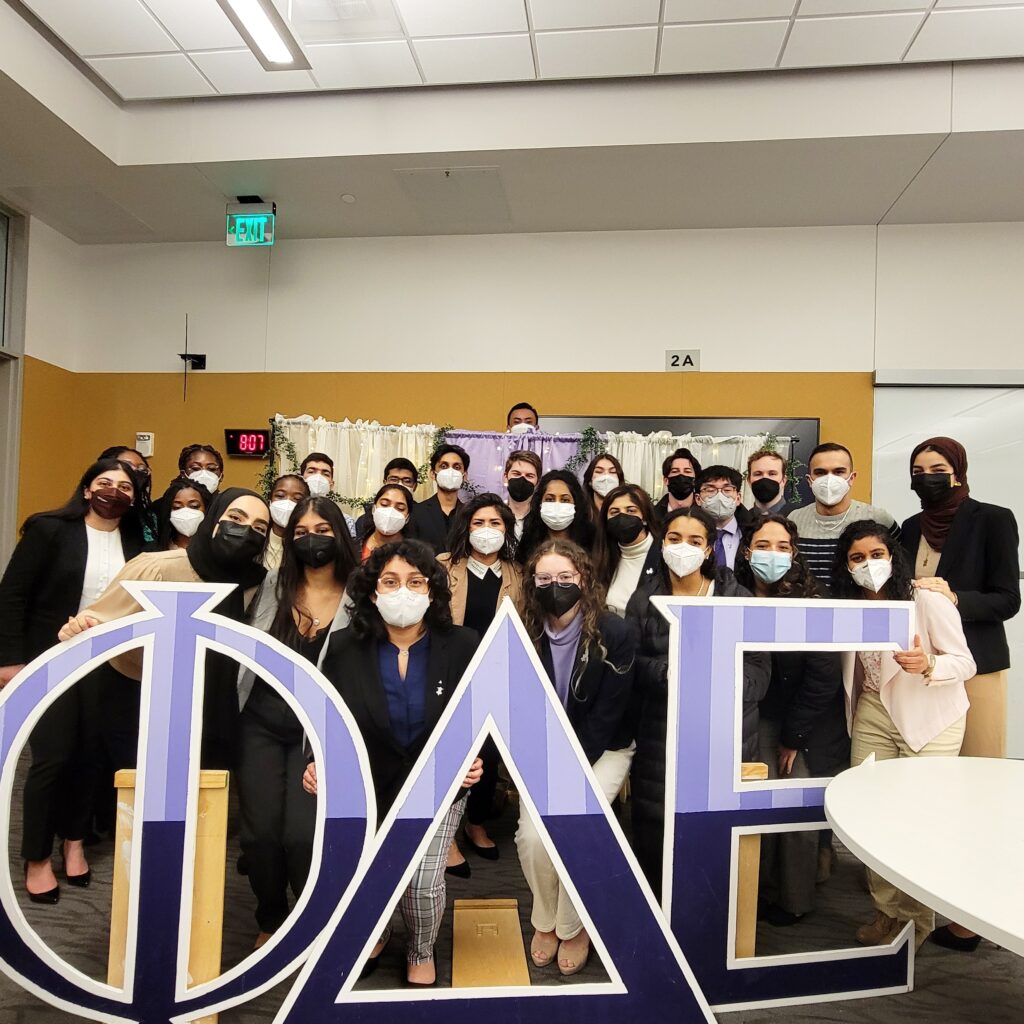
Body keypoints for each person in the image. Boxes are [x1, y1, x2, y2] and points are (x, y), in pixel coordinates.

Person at [310, 540, 483, 985]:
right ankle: (379, 928)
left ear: (431, 591)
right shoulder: (346, 646)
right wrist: (316, 762)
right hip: (369, 783)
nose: (402, 591)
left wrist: (476, 761)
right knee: (369, 870)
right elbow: (324, 715)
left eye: (414, 581)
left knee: (422, 883)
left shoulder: (463, 644)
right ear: (372, 592)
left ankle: (421, 947)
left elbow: (486, 717)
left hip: (440, 783)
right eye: (390, 581)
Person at [0, 458, 146, 903]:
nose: (114, 492)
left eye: (125, 487)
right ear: (86, 489)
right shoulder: (48, 530)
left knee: (91, 756)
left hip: (109, 664)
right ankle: (37, 856)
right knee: (53, 756)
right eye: (105, 483)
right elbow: (13, 595)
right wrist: (9, 661)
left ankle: (75, 842)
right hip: (49, 658)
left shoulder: (139, 542)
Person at [899, 437, 1020, 952]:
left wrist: (954, 596)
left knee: (974, 789)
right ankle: (916, 903)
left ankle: (968, 915)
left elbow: (1007, 599)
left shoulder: (992, 518)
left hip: (977, 668)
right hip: (921, 670)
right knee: (925, 790)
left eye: (938, 468)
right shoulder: (907, 529)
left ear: (958, 472)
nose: (927, 475)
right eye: (918, 468)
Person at [831, 520, 974, 950]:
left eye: (877, 555)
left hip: (930, 713)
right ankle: (885, 911)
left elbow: (965, 662)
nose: (868, 564)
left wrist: (929, 664)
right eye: (857, 557)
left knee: (918, 818)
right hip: (872, 710)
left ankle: (916, 921)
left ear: (893, 557)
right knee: (871, 814)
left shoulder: (926, 598)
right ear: (846, 565)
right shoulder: (846, 603)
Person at [57, 489, 271, 775]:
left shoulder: (258, 585)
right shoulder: (157, 567)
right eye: (235, 518)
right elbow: (100, 618)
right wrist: (80, 627)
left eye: (259, 528)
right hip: (141, 706)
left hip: (212, 713)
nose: (246, 532)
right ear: (213, 519)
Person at [625, 507, 770, 897]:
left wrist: (724, 682)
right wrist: (667, 673)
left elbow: (759, 669)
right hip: (663, 734)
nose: (682, 548)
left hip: (727, 733)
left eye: (694, 541)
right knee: (658, 831)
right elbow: (631, 667)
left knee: (717, 835)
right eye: (674, 539)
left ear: (708, 550)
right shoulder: (645, 600)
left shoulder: (736, 597)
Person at [237, 496, 359, 948]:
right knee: (260, 835)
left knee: (304, 836)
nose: (312, 539)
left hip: (322, 730)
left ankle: (311, 917)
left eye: (323, 531)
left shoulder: (360, 591)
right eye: (302, 532)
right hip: (263, 721)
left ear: (340, 536)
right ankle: (270, 917)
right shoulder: (274, 583)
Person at [517, 539, 635, 976]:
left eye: (565, 577)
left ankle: (573, 925)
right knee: (531, 837)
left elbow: (608, 717)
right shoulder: (523, 629)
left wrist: (567, 774)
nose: (555, 586)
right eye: (544, 578)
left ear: (583, 579)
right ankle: (545, 919)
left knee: (576, 826)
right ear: (532, 583)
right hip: (545, 750)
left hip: (603, 749)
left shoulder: (616, 633)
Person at [733, 515, 847, 927]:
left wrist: (793, 736)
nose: (773, 554)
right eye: (764, 545)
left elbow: (823, 676)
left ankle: (794, 900)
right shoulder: (733, 593)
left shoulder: (811, 600)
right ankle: (756, 893)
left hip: (801, 722)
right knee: (754, 807)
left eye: (782, 547)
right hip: (750, 716)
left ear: (794, 553)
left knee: (795, 804)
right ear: (747, 551)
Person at [437, 494, 523, 874]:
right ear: (465, 528)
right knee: (449, 753)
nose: (486, 531)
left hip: (498, 675)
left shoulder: (518, 574)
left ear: (507, 530)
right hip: (448, 673)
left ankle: (476, 822)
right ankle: (446, 834)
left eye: (495, 524)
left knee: (487, 755)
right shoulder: (442, 568)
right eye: (478, 523)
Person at [788, 443, 900, 585]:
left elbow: (900, 568)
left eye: (839, 472)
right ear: (810, 480)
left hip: (860, 606)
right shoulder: (794, 520)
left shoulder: (879, 518)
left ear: (852, 478)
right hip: (807, 606)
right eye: (820, 472)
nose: (829, 479)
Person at [595, 484, 661, 617]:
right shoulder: (603, 557)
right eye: (614, 512)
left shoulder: (663, 556)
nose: (622, 516)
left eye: (631, 511)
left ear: (645, 518)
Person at [515, 470, 594, 568]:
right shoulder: (528, 541)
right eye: (549, 499)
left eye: (565, 500)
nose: (557, 505)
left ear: (576, 504)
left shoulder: (593, 542)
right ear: (539, 503)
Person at [416, 445, 470, 555]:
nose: (450, 471)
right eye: (444, 466)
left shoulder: (470, 515)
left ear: (464, 476)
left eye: (457, 467)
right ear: (432, 474)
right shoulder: (416, 512)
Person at [694, 465, 750, 569]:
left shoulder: (751, 533)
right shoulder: (688, 534)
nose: (719, 496)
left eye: (727, 490)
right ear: (698, 499)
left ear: (738, 498)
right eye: (710, 490)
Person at [99, 445, 157, 543]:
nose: (135, 471)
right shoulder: (93, 510)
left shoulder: (149, 518)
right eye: (127, 466)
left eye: (142, 469)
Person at [354, 457, 420, 537]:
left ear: (415, 486)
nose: (399, 484)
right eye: (393, 479)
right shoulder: (364, 521)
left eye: (406, 481)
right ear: (385, 482)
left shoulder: (423, 518)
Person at [300, 452, 358, 538]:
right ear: (302, 478)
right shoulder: (288, 513)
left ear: (331, 484)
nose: (318, 477)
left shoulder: (345, 521)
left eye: (325, 474)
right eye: (311, 472)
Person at [265, 474, 311, 569]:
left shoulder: (309, 546)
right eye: (280, 496)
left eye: (297, 499)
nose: (287, 502)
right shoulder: (256, 540)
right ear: (270, 501)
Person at [359, 484, 415, 562]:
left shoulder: (415, 554)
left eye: (400, 508)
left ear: (407, 518)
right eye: (384, 504)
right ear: (373, 509)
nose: (390, 512)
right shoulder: (354, 547)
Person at [154, 479, 212, 551]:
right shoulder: (156, 552)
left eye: (194, 506)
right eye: (177, 507)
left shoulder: (218, 550)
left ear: (207, 508)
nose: (186, 513)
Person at [652, 447, 702, 525]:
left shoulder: (706, 516)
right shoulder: (651, 518)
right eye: (675, 471)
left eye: (687, 471)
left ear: (695, 480)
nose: (681, 475)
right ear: (666, 481)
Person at [503, 450, 542, 540]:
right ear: (505, 477)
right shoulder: (496, 517)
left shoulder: (543, 521)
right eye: (516, 474)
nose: (522, 479)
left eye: (529, 476)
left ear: (537, 482)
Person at [746, 448, 798, 516]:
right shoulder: (742, 521)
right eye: (758, 474)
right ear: (749, 481)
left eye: (772, 474)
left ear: (783, 480)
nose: (765, 478)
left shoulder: (798, 517)